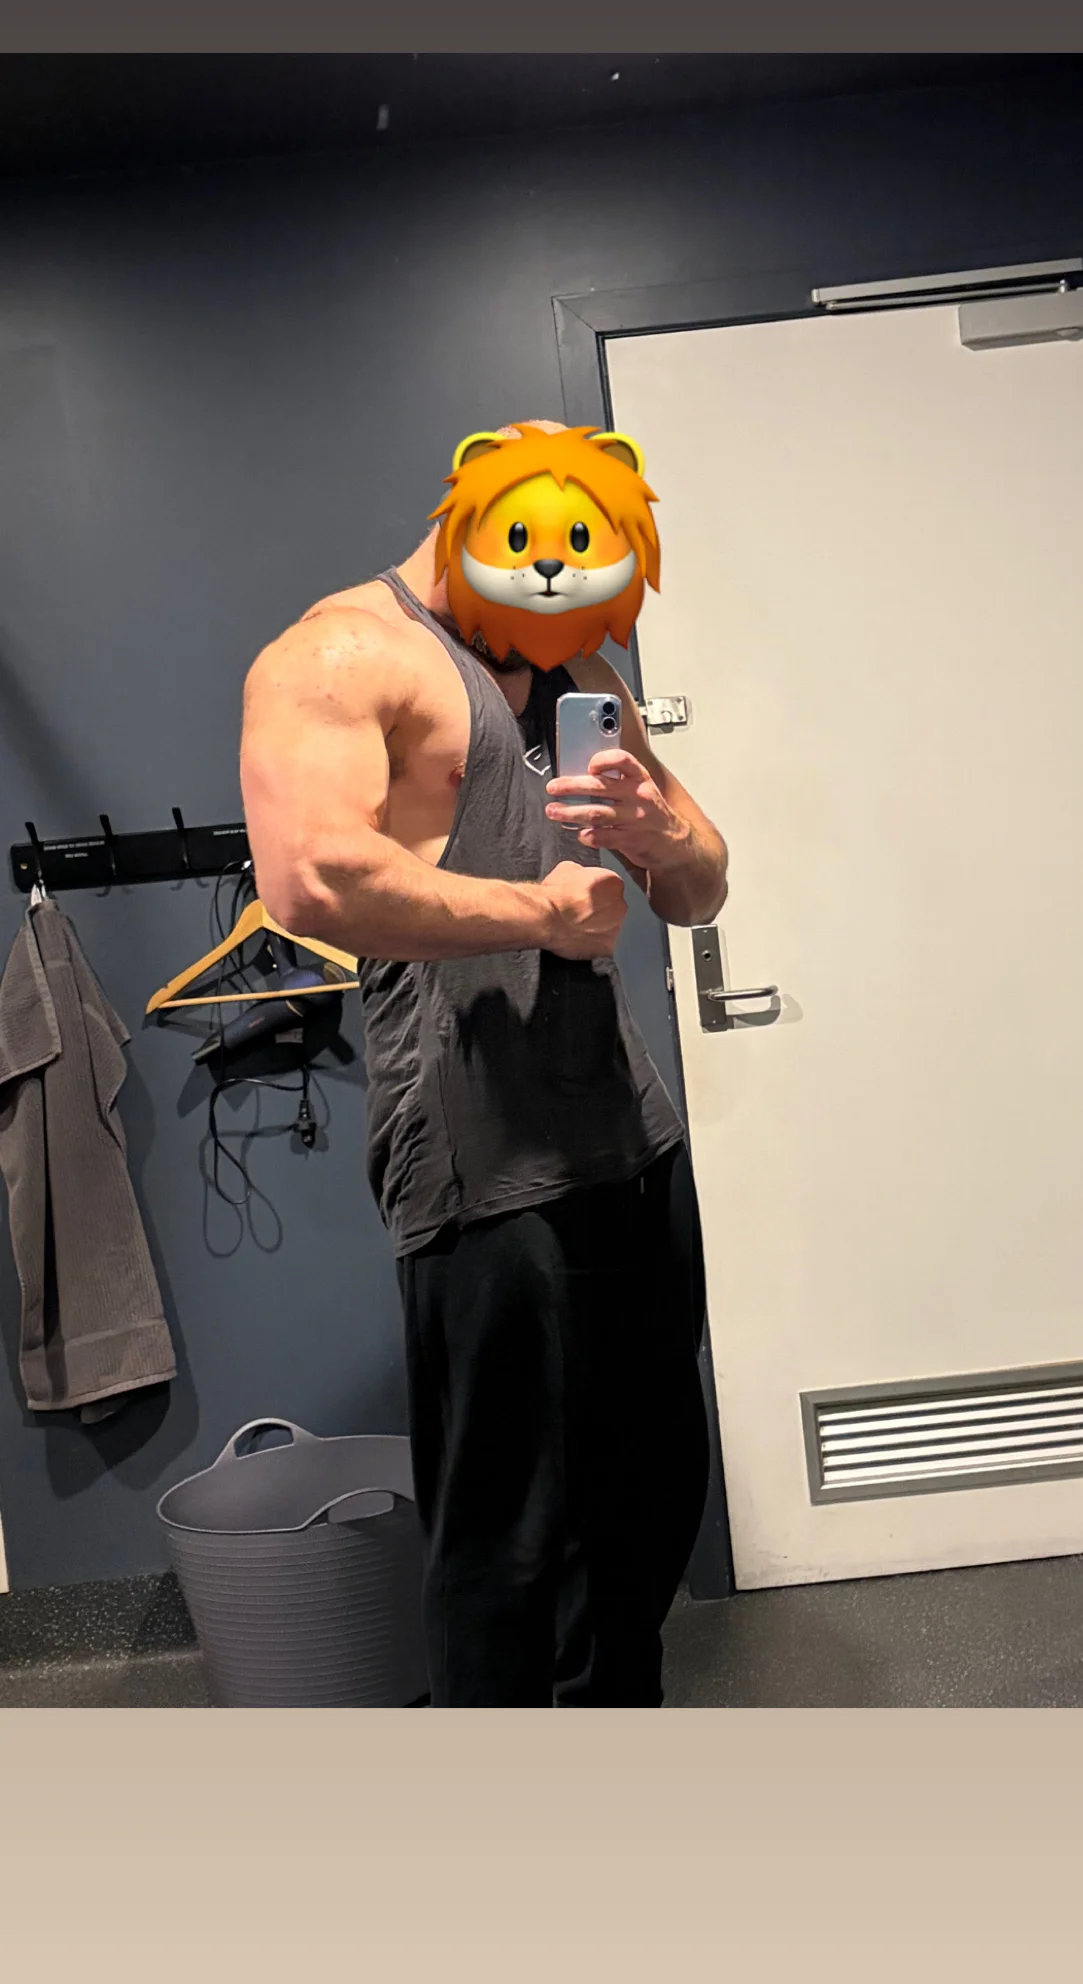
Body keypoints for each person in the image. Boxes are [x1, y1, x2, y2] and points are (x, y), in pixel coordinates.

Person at [239, 419, 729, 1706]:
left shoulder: (575, 666)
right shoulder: (345, 653)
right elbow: (311, 876)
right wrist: (542, 915)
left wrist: (657, 830)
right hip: (479, 1158)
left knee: (647, 1499)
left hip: (625, 1135)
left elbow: (702, 888)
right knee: (508, 1539)